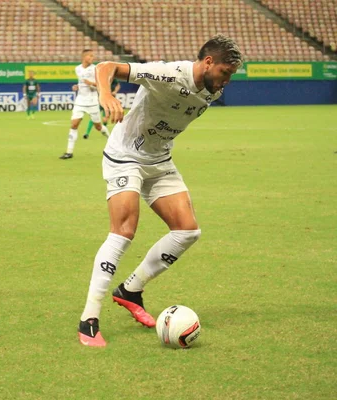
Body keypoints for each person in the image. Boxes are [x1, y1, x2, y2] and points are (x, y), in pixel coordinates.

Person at [77, 35, 243, 346]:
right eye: (225, 72)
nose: (227, 80)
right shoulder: (169, 74)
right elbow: (107, 66)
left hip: (160, 159)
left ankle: (130, 290)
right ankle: (89, 318)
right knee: (123, 231)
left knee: (187, 231)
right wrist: (105, 95)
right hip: (125, 155)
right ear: (208, 62)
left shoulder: (211, 88)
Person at [59, 49, 110, 160]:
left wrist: (91, 83)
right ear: (84, 57)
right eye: (91, 56)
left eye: (93, 56)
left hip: (92, 102)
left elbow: (101, 85)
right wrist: (77, 86)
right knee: (74, 125)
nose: (93, 58)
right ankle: (69, 152)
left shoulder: (96, 69)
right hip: (80, 101)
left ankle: (111, 140)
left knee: (98, 126)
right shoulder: (77, 69)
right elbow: (81, 82)